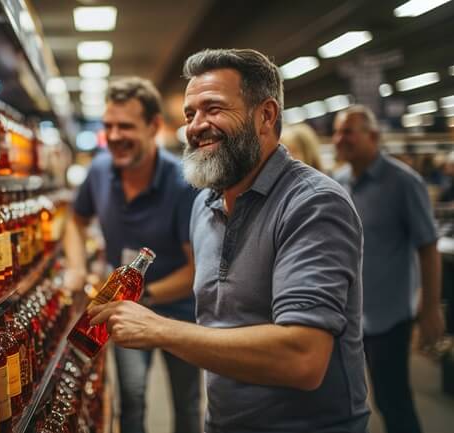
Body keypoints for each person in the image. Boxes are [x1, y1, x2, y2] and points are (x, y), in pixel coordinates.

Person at [89, 48, 370, 433]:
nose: (196, 125)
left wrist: (161, 329)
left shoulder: (313, 204)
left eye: (214, 109)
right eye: (191, 114)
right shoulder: (204, 203)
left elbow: (303, 358)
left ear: (265, 116)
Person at [63, 77, 201, 433]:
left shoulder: (183, 182)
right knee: (132, 398)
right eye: (108, 125)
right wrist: (76, 268)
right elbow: (74, 221)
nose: (115, 135)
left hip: (179, 315)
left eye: (126, 126)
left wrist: (140, 297)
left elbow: (195, 268)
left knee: (186, 406)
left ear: (154, 126)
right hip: (122, 313)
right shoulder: (99, 171)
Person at [332, 105, 444, 433]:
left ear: (374, 136)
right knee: (351, 399)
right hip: (349, 316)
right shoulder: (338, 182)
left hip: (389, 316)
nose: (339, 139)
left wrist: (430, 307)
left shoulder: (404, 183)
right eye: (337, 131)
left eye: (348, 131)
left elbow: (428, 246)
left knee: (393, 400)